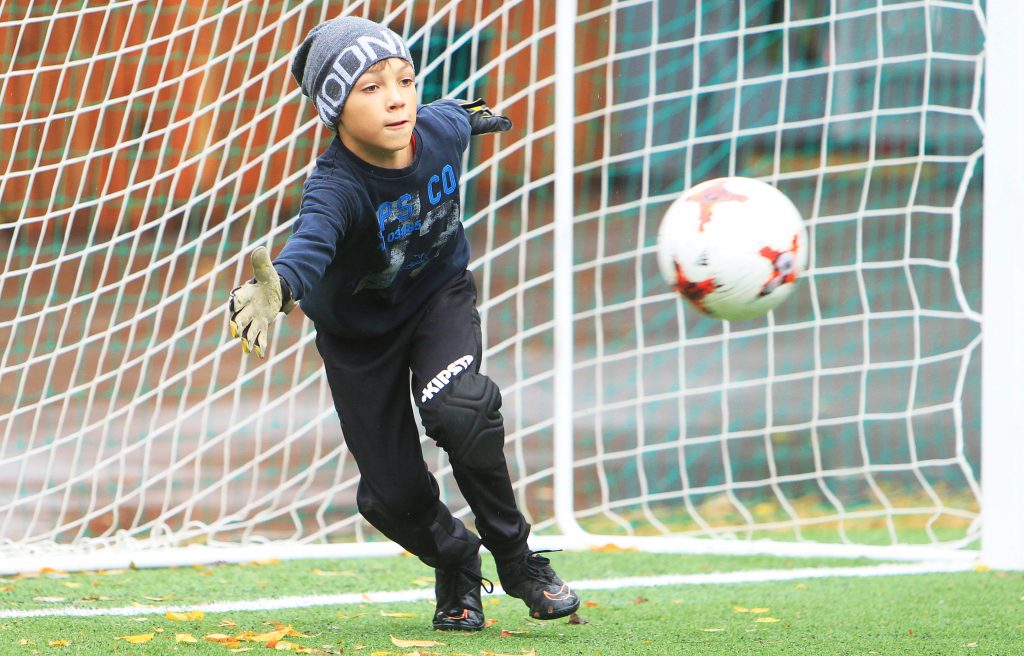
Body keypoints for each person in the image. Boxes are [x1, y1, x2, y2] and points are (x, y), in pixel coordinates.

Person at [227, 15, 580, 631]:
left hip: (437, 299)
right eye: (370, 88)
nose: (396, 98)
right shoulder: (335, 188)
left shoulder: (437, 128)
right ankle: (457, 562)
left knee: (459, 408)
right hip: (359, 340)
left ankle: (520, 560)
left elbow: (452, 112)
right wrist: (280, 286)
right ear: (334, 109)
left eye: (405, 80)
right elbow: (309, 247)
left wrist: (471, 113)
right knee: (390, 497)